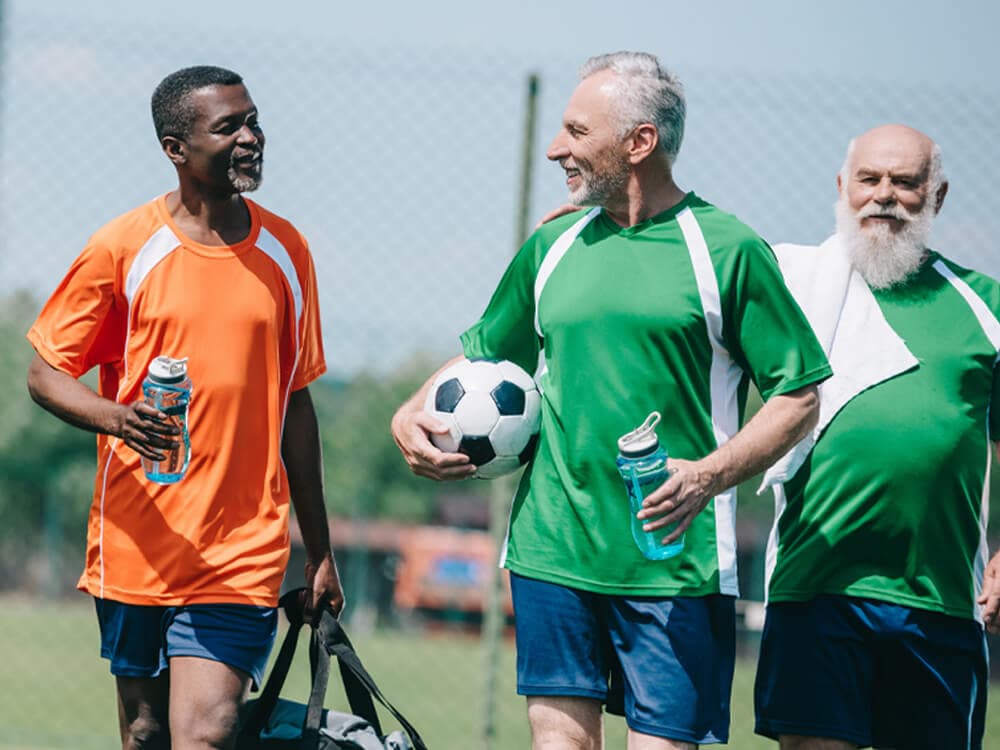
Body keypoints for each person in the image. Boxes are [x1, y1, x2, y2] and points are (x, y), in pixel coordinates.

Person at [391, 51, 831, 750]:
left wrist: (707, 476)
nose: (555, 148)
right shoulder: (552, 244)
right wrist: (410, 409)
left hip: (673, 565)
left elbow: (799, 395)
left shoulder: (729, 251)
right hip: (551, 551)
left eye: (575, 130)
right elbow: (484, 357)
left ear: (639, 142)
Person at [25, 66, 344, 750]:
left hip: (242, 545)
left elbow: (296, 401)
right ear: (176, 148)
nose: (251, 137)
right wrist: (117, 418)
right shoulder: (122, 247)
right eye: (228, 127)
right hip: (139, 539)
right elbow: (45, 373)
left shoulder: (289, 251)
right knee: (145, 732)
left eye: (253, 120)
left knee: (207, 731)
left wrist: (318, 550)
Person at [754, 123, 1000, 750]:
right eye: (869, 179)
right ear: (843, 187)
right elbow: (685, 278)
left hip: (940, 600)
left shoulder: (985, 306)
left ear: (937, 196)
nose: (883, 195)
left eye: (905, 182)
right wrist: (597, 229)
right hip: (815, 587)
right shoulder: (788, 281)